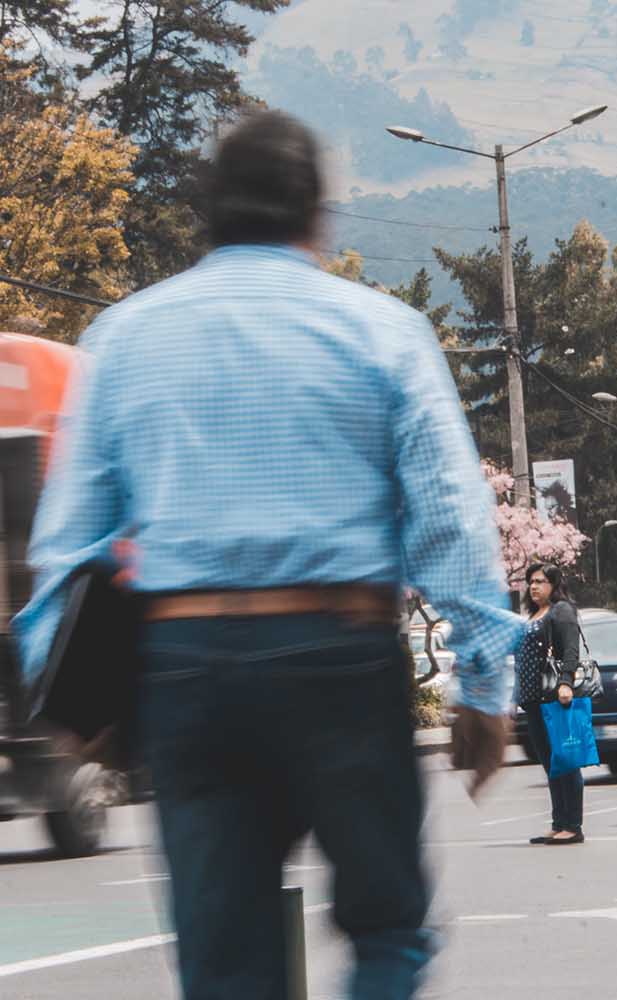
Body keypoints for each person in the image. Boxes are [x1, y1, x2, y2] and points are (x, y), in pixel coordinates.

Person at [13, 111, 524, 998]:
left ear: (207, 215)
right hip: (340, 656)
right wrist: (483, 689)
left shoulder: (125, 339)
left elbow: (68, 544)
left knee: (223, 961)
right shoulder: (383, 332)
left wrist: (66, 692)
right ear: (317, 218)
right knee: (388, 931)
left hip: (185, 673)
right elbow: (449, 521)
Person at [517, 563, 587, 845]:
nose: (534, 587)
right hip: (534, 698)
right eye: (531, 581)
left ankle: (573, 825)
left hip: (555, 696)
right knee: (550, 763)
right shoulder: (535, 613)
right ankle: (559, 821)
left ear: (554, 584)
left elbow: (571, 649)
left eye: (540, 582)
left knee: (566, 760)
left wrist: (566, 682)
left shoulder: (562, 610)